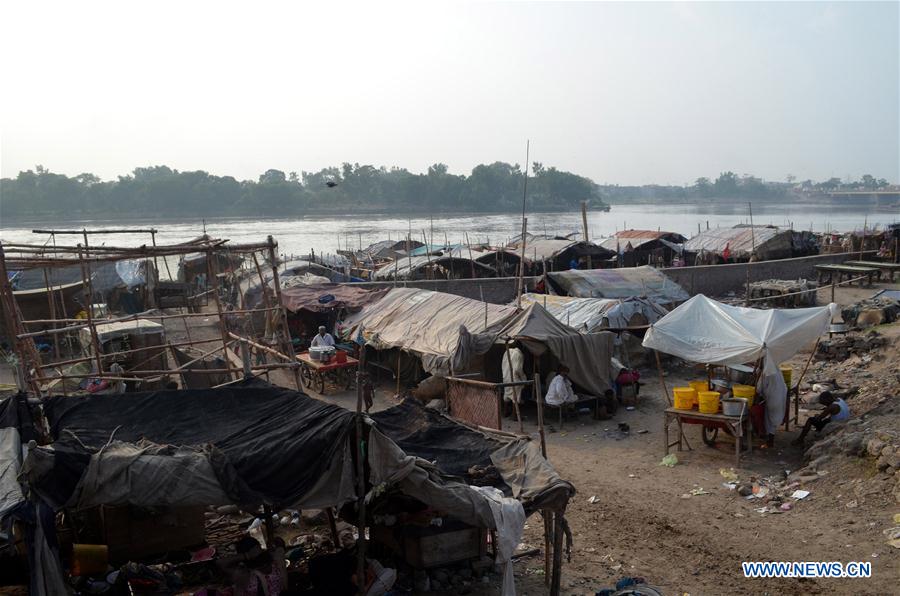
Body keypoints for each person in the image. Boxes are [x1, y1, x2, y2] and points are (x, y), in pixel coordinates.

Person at [501, 343, 526, 416]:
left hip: (506, 377)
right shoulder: (519, 354)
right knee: (515, 397)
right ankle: (514, 415)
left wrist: (505, 375)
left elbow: (503, 365)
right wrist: (523, 377)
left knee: (506, 395)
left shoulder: (507, 352)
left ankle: (505, 412)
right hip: (515, 378)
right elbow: (518, 369)